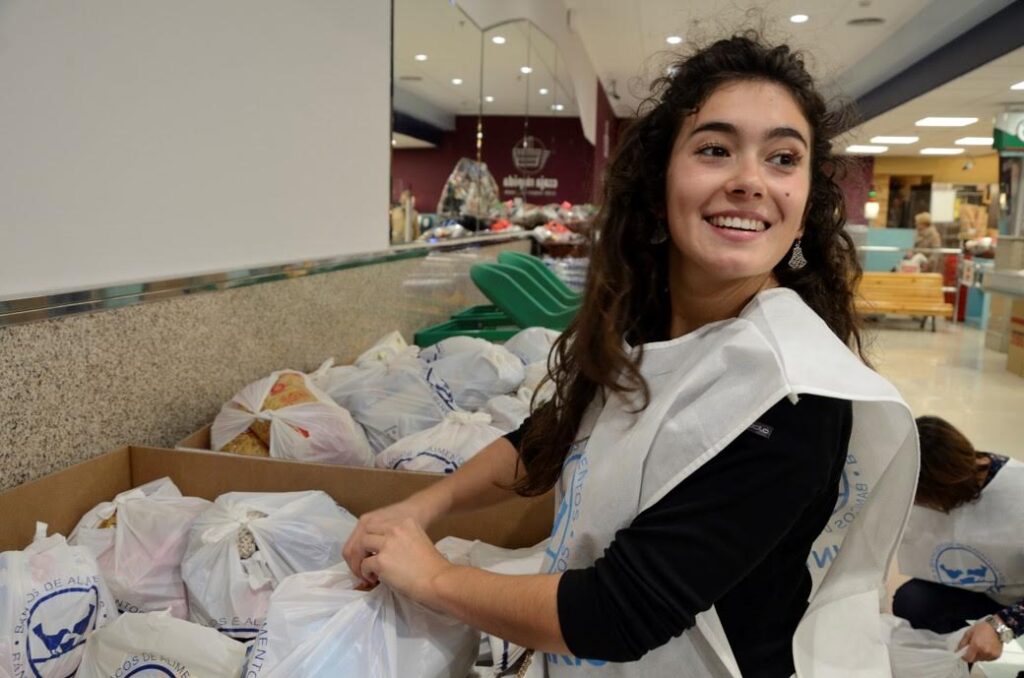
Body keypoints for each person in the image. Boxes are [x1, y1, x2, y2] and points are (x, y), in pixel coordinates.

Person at [344, 33, 918, 677]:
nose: (751, 181)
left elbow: (618, 612)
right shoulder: (646, 322)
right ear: (658, 180)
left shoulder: (795, 391)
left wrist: (436, 579)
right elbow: (557, 432)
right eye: (715, 150)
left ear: (807, 199)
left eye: (783, 158)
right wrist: (427, 504)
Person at [894, 415, 1023, 663]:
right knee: (912, 601)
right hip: (982, 587)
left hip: (1017, 597)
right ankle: (958, 659)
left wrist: (1003, 625)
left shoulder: (1017, 492)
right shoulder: (940, 478)